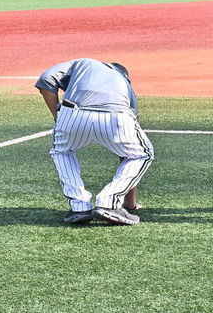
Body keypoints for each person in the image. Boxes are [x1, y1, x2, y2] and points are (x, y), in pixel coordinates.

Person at [36, 58, 154, 226]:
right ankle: (109, 202)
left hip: (73, 113)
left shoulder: (82, 63)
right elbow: (126, 154)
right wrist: (129, 204)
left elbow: (47, 79)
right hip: (116, 115)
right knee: (142, 154)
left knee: (61, 151)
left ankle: (79, 206)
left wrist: (58, 117)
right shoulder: (125, 85)